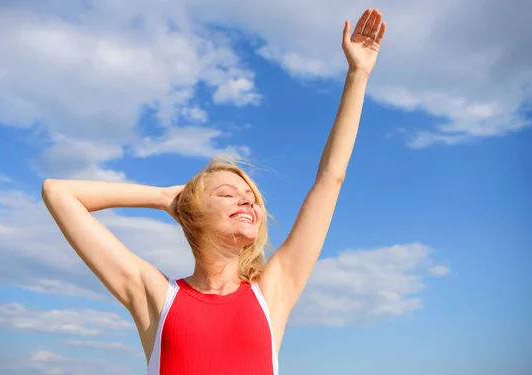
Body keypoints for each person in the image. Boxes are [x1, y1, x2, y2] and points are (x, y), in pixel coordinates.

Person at [42, 8, 386, 375]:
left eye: (251, 195)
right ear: (193, 211)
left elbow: (330, 178)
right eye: (227, 193)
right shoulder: (157, 297)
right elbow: (58, 192)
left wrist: (357, 75)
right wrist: (164, 198)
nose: (247, 199)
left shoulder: (272, 292)